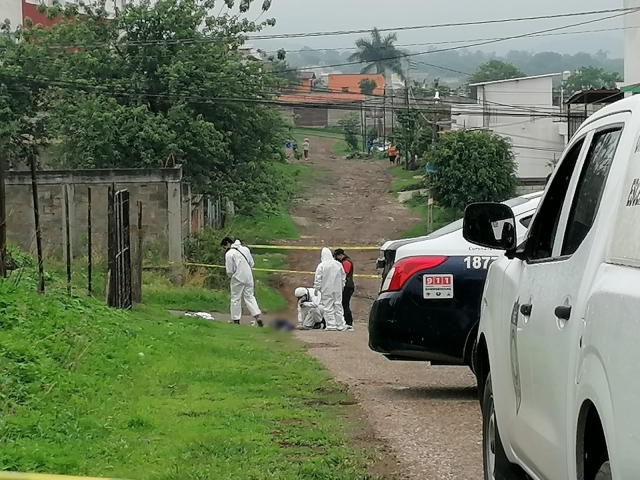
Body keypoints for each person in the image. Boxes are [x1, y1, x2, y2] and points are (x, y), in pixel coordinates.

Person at [221, 237, 263, 327]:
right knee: (250, 296)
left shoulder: (229, 254)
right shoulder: (245, 249)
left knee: (235, 298)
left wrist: (231, 276)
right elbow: (252, 263)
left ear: (227, 244)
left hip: (237, 278)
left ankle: (236, 320)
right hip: (249, 277)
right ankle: (258, 317)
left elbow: (229, 270)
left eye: (224, 247)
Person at [314, 247, 348, 332]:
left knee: (328, 307)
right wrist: (342, 286)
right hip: (338, 289)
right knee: (338, 306)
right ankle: (340, 325)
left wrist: (317, 288)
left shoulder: (321, 265)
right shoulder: (338, 264)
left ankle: (331, 325)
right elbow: (343, 276)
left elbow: (318, 278)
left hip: (326, 289)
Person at [334, 249, 355, 330]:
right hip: (347, 286)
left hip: (347, 286)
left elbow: (344, 273)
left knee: (345, 304)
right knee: (344, 304)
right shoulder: (346, 261)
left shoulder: (346, 262)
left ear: (340, 255)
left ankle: (348, 322)